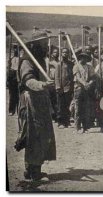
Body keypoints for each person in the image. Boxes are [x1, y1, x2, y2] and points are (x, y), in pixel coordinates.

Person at [16, 30, 56, 181]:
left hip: (40, 103)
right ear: (34, 45)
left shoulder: (39, 60)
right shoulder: (27, 61)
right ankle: (32, 171)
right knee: (33, 136)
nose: (47, 46)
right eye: (44, 44)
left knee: (40, 135)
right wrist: (43, 85)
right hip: (30, 103)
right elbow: (28, 81)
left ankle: (33, 169)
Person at [73, 52, 95, 134]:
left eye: (85, 58)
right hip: (78, 88)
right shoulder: (76, 66)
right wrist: (84, 83)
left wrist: (89, 83)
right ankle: (77, 127)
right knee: (78, 108)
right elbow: (78, 77)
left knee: (86, 108)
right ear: (80, 58)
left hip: (87, 89)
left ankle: (85, 127)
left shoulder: (89, 67)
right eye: (82, 57)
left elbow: (93, 77)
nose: (84, 59)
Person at [55, 48, 74, 129]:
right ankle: (60, 122)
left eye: (66, 53)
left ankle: (67, 121)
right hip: (61, 88)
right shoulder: (59, 64)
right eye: (63, 52)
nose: (65, 54)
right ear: (61, 54)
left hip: (69, 87)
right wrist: (58, 86)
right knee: (60, 105)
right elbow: (57, 76)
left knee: (67, 105)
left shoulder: (71, 64)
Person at [7, 45, 20, 116]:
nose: (15, 51)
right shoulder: (11, 59)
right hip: (12, 77)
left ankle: (19, 111)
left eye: (17, 49)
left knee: (18, 95)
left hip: (18, 76)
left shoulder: (20, 59)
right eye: (14, 49)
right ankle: (11, 110)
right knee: (12, 95)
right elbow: (8, 70)